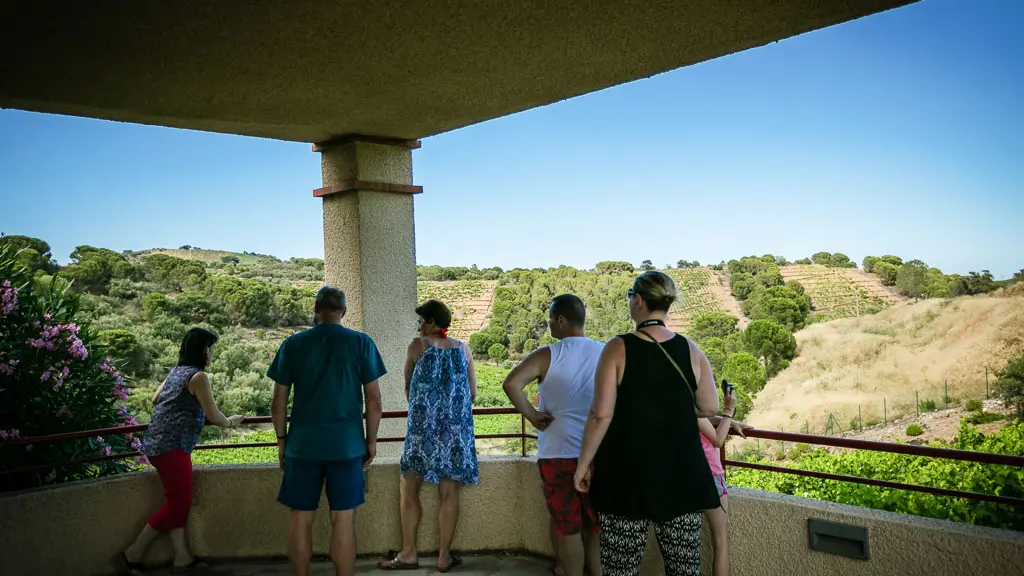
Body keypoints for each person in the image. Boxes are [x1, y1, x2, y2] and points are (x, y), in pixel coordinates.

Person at [574, 271, 749, 576]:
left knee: (620, 567)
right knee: (683, 568)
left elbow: (600, 416)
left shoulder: (617, 348)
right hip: (682, 478)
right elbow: (709, 406)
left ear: (638, 300)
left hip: (625, 480)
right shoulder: (691, 349)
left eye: (631, 296)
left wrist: (583, 465)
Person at [269, 286, 385, 576]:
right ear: (343, 312)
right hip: (347, 446)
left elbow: (277, 401)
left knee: (300, 518)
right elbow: (374, 400)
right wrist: (370, 440)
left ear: (315, 309)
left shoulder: (292, 345)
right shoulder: (361, 343)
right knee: (344, 520)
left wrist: (282, 440)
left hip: (302, 446)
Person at [122, 328, 246, 575]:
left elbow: (156, 399)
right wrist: (232, 421)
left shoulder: (176, 372)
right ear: (203, 350)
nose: (212, 353)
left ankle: (182, 557)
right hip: (172, 446)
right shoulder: (199, 377)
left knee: (176, 501)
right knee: (179, 504)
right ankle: (134, 551)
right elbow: (215, 416)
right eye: (211, 348)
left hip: (158, 444)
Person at [503, 294, 602, 576]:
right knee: (593, 526)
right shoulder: (606, 352)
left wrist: (533, 416)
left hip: (556, 454)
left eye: (550, 320)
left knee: (567, 526)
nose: (549, 326)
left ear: (561, 320)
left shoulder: (548, 354)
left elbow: (511, 383)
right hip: (596, 453)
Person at [379, 299, 478, 573]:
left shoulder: (416, 347)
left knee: (408, 486)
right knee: (449, 492)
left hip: (423, 430)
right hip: (454, 432)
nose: (419, 326)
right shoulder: (464, 349)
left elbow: (409, 389)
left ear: (432, 322)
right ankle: (444, 556)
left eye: (422, 321)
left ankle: (409, 552)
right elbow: (473, 393)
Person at [698, 386, 743, 576]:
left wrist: (729, 421)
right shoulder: (690, 404)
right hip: (710, 476)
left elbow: (703, 422)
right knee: (721, 541)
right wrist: (728, 411)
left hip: (684, 476)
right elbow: (717, 440)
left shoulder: (675, 402)